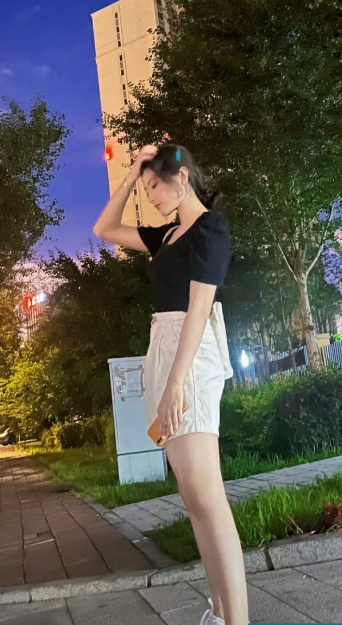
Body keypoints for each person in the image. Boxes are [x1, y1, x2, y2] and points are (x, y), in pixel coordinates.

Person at [94, 144, 249, 625]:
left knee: (208, 496)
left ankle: (237, 619)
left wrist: (176, 382)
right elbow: (104, 229)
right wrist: (129, 176)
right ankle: (220, 612)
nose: (150, 197)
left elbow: (199, 310)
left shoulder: (209, 229)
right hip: (163, 350)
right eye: (145, 190)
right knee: (192, 495)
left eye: (154, 186)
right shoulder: (165, 236)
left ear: (182, 177)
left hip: (190, 355)